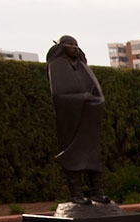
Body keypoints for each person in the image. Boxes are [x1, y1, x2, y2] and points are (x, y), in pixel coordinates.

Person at [47, 35, 110, 205]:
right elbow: (58, 95)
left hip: (89, 120)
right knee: (73, 157)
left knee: (93, 157)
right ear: (62, 46)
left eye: (76, 44)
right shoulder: (57, 65)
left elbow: (97, 92)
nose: (75, 47)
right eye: (70, 44)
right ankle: (76, 194)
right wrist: (82, 97)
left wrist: (96, 100)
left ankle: (98, 193)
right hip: (72, 122)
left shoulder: (82, 66)